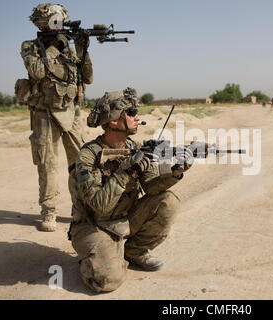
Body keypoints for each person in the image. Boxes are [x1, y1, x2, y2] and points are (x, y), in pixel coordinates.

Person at [68, 89, 193, 293]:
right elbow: (99, 206)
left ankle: (133, 252)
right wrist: (125, 171)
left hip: (124, 219)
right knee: (107, 281)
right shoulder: (88, 156)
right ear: (113, 120)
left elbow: (151, 187)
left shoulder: (134, 148)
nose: (137, 117)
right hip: (93, 225)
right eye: (131, 112)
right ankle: (97, 257)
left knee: (167, 201)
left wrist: (175, 172)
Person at [17, 3, 93, 231]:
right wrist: (55, 47)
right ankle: (49, 212)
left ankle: (80, 210)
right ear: (42, 23)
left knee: (80, 163)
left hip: (72, 112)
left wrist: (82, 51)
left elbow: (87, 78)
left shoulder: (68, 48)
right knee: (48, 164)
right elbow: (38, 71)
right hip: (44, 113)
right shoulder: (30, 46)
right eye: (53, 21)